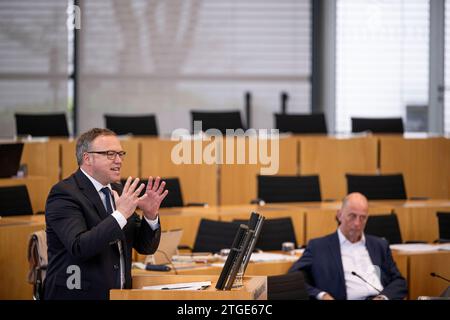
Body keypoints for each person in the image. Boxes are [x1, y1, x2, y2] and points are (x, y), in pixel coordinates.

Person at [44, 128, 168, 299]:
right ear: (87, 158)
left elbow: (145, 247)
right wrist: (120, 214)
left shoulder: (118, 190)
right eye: (110, 154)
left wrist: (150, 215)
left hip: (118, 295)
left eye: (120, 154)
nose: (119, 160)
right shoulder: (64, 194)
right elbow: (79, 247)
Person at [289, 192, 407, 300]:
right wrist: (321, 295)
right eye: (352, 216)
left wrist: (383, 298)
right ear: (339, 215)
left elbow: (399, 282)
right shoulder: (319, 247)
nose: (357, 223)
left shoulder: (379, 245)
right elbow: (292, 279)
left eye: (362, 218)